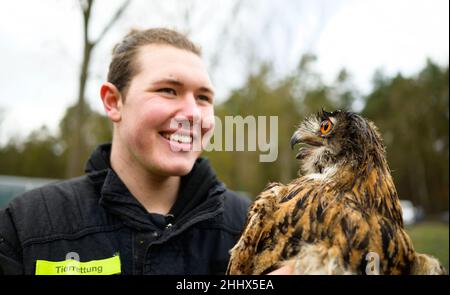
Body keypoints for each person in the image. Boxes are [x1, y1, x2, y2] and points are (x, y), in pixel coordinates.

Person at [0, 28, 251, 275]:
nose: (193, 114)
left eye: (203, 98)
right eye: (168, 91)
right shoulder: (27, 226)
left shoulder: (250, 227)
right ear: (113, 102)